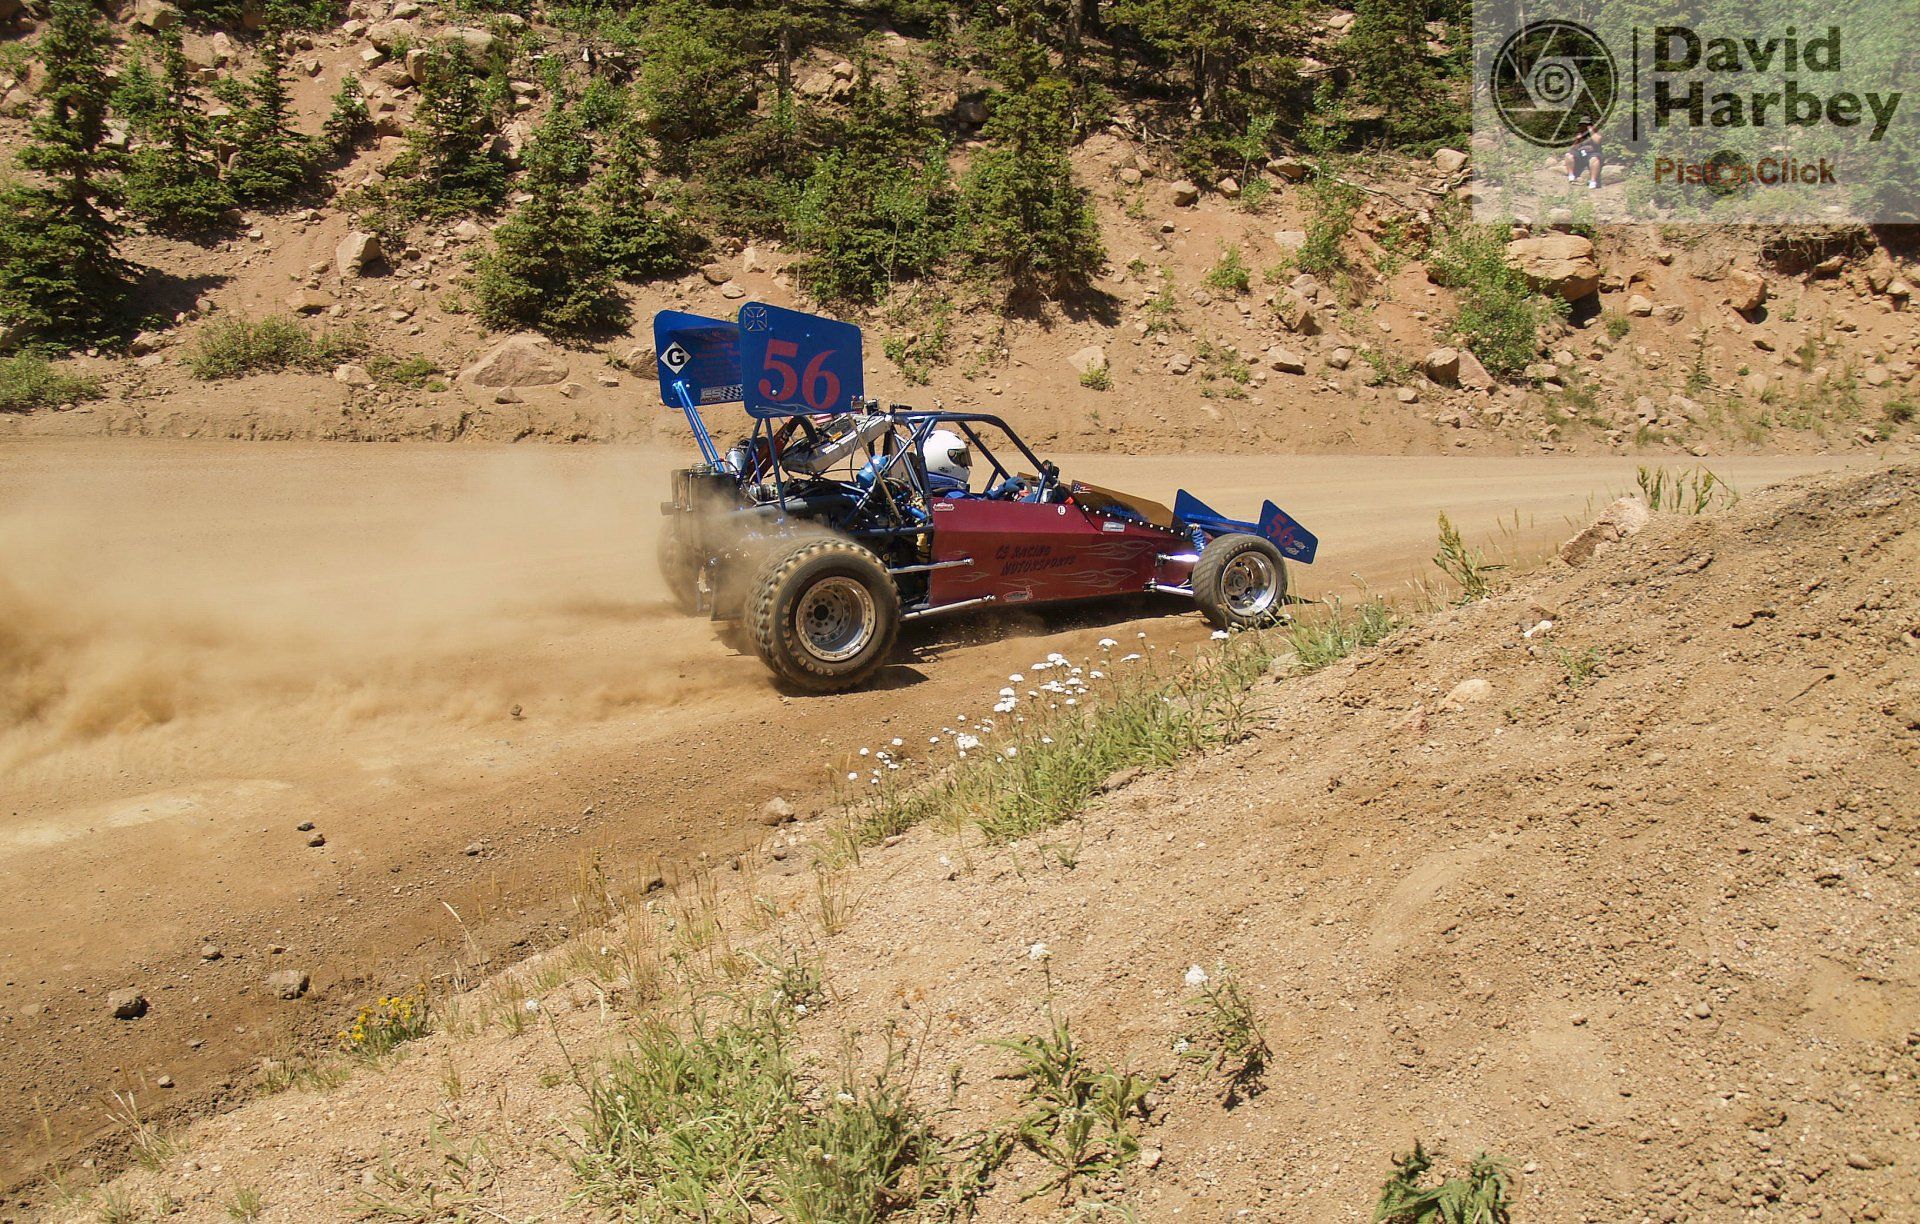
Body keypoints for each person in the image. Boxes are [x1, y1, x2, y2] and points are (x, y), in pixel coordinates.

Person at [1565, 121, 1602, 190]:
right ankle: (1571, 176)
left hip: (1592, 152)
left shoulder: (1596, 132)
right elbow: (1572, 148)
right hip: (1580, 153)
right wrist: (1578, 140)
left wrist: (1591, 130)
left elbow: (1597, 141)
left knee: (1594, 159)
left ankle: (1593, 181)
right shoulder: (1579, 133)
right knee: (1568, 155)